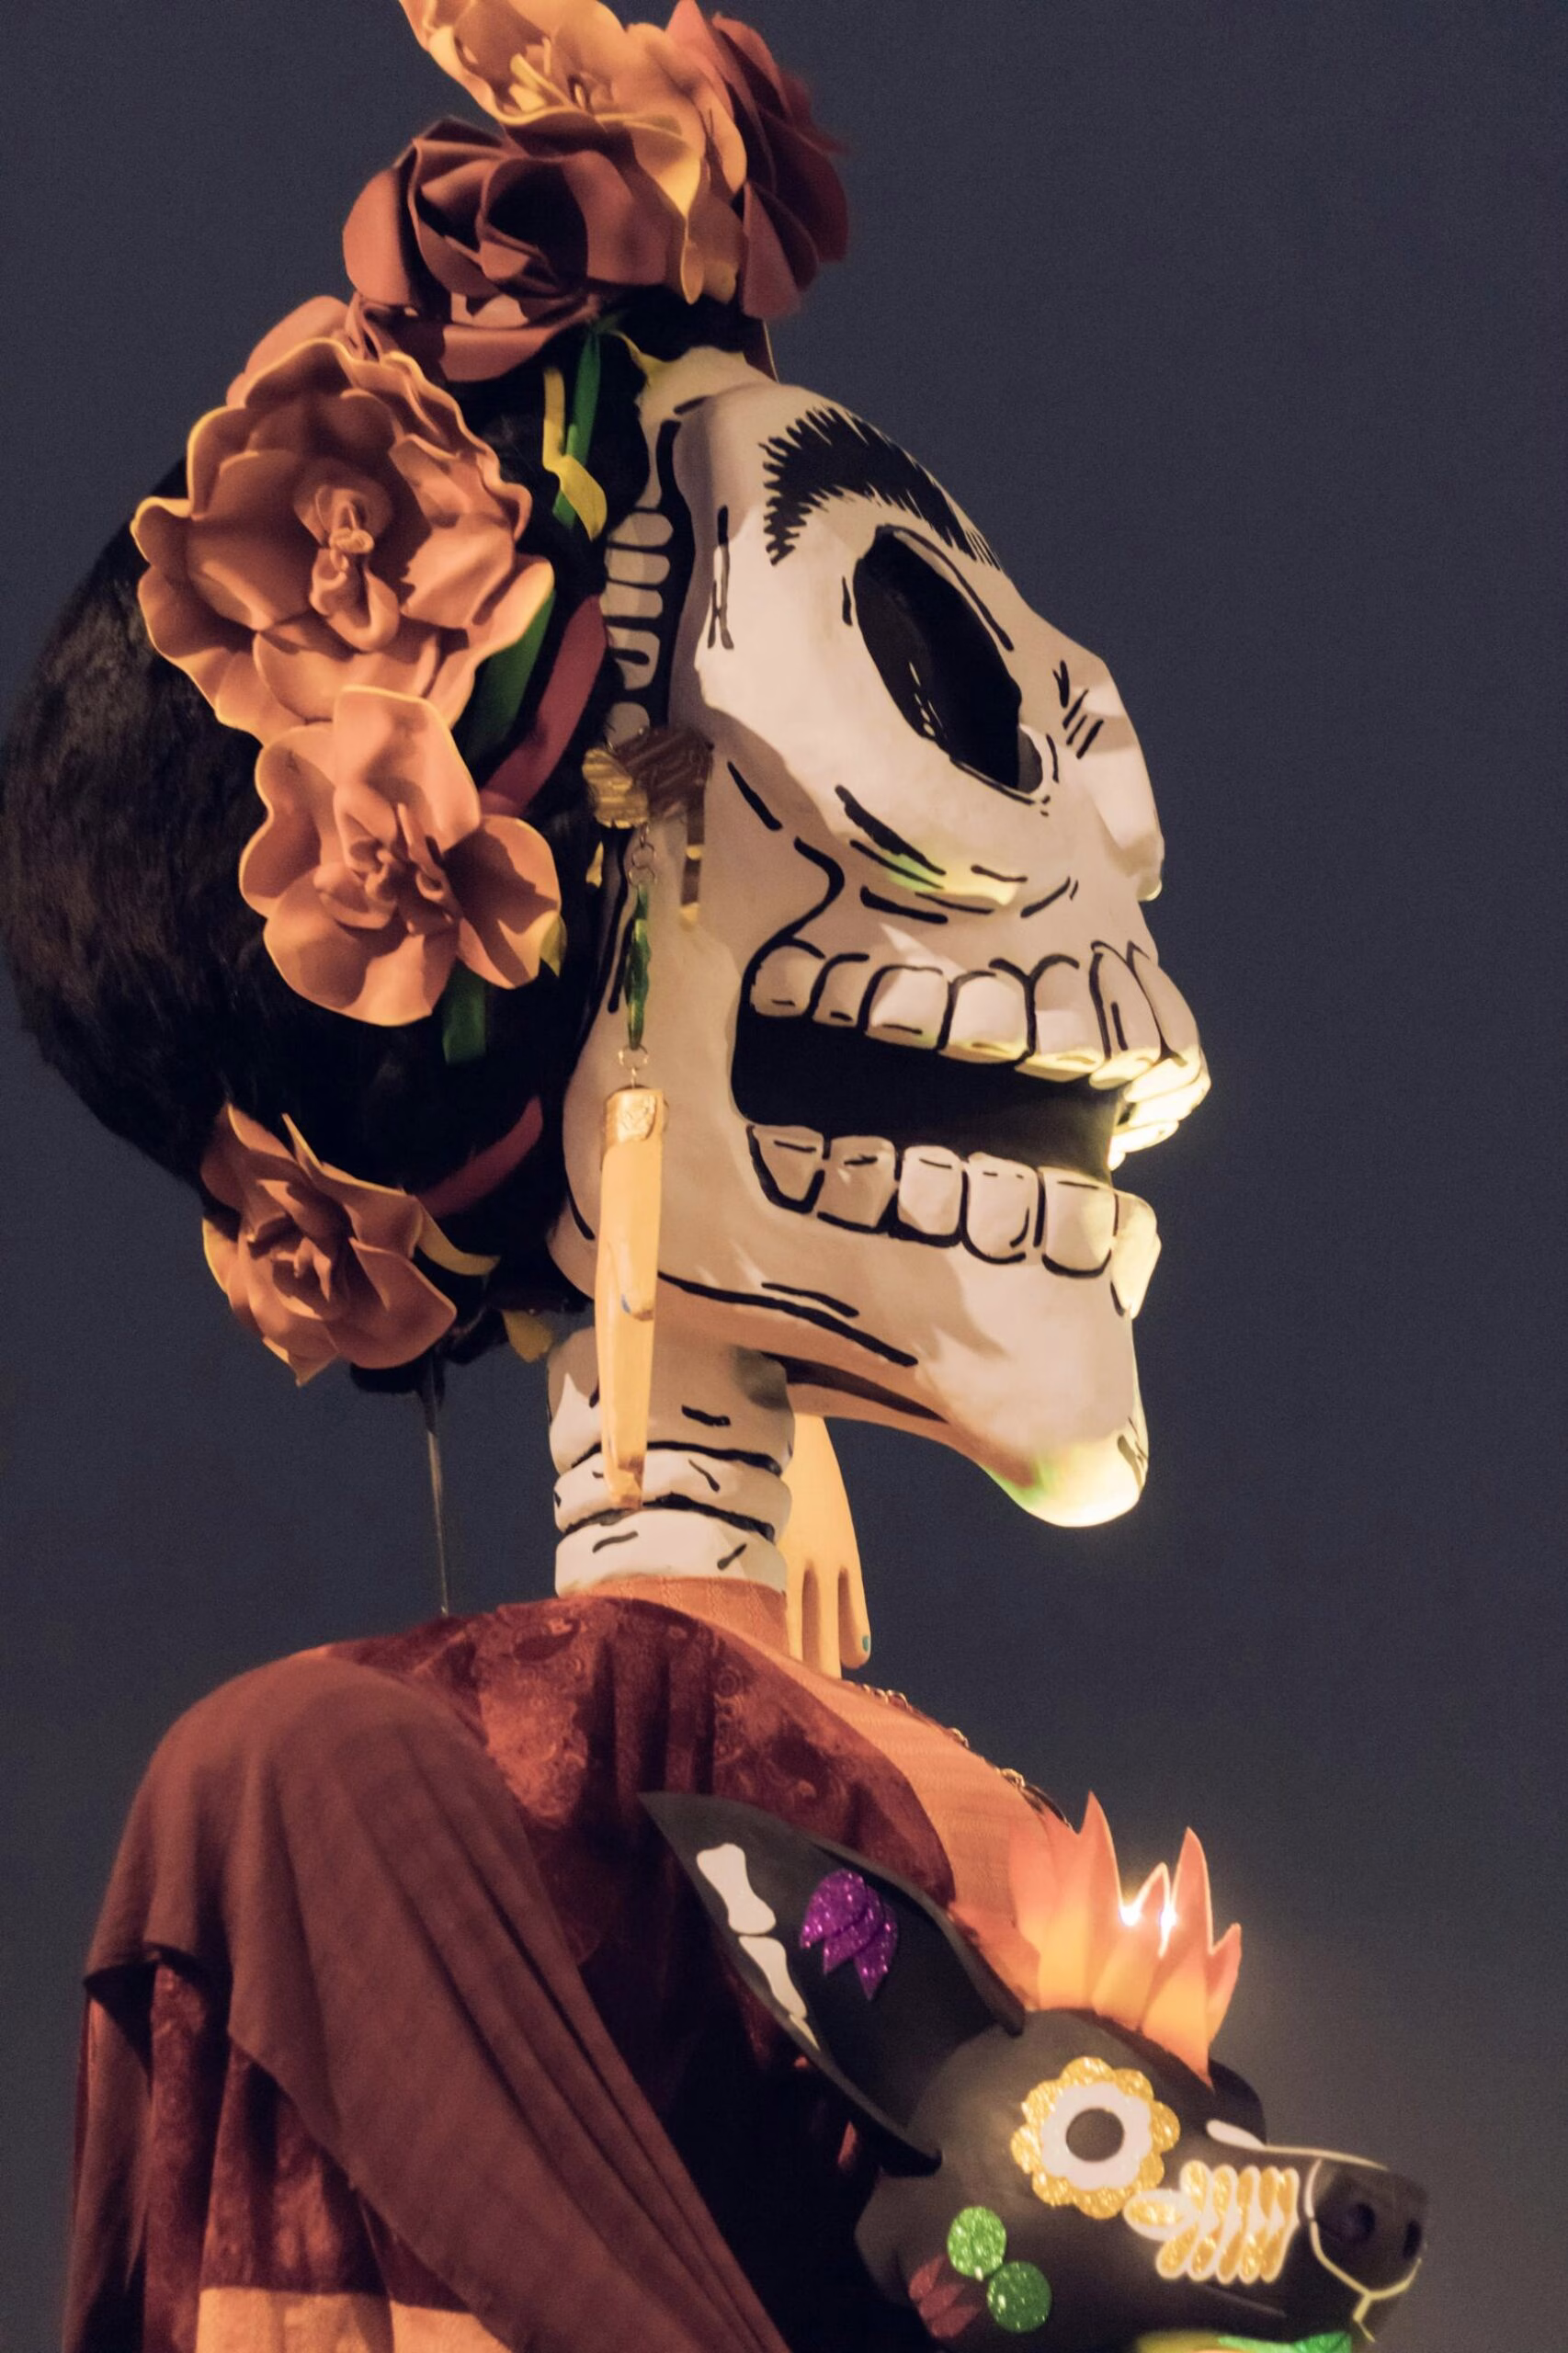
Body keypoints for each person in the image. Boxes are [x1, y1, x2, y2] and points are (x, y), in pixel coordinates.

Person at [3, 6, 1352, 2348]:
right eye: (912, 677)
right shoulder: (359, 1780)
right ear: (521, 881)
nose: (1115, 875)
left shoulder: (766, 1756)